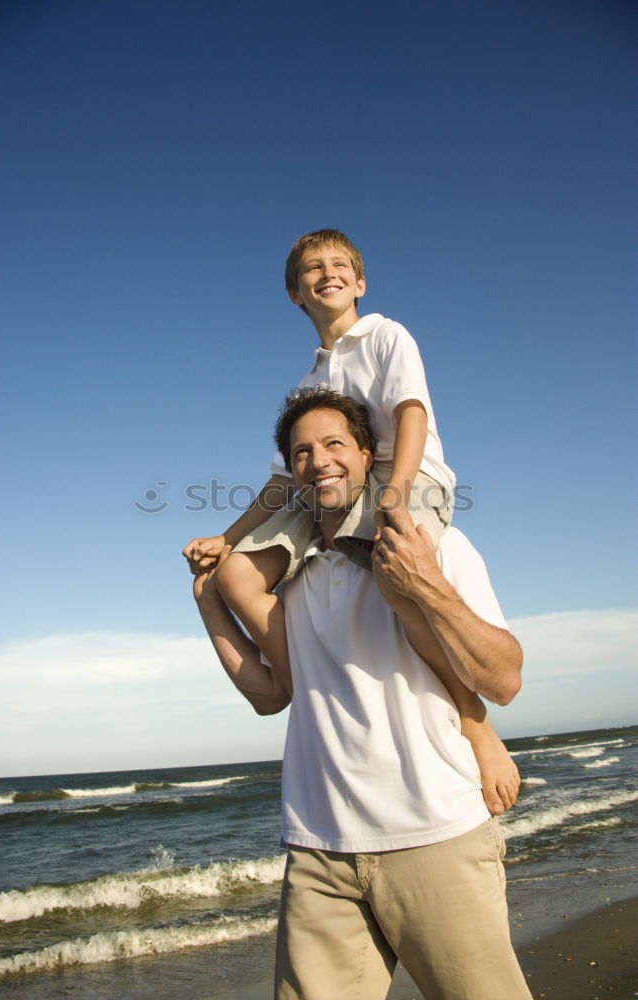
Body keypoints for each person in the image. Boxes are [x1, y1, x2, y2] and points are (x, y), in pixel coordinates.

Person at [192, 389, 531, 1000]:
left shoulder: (438, 546)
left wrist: (429, 586)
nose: (317, 460)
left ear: (367, 454)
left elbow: (504, 678)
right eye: (300, 453)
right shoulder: (289, 580)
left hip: (436, 837)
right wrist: (210, 608)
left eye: (332, 445)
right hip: (319, 853)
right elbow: (271, 695)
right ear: (289, 475)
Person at [183, 229, 518, 814]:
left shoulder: (385, 335)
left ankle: (474, 720)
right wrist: (226, 538)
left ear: (359, 283)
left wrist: (396, 493)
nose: (328, 273)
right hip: (327, 496)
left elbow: (410, 415)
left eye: (340, 265)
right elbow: (284, 481)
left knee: (394, 573)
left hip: (403, 479)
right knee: (236, 576)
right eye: (313, 268)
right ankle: (295, 681)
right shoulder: (308, 383)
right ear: (296, 293)